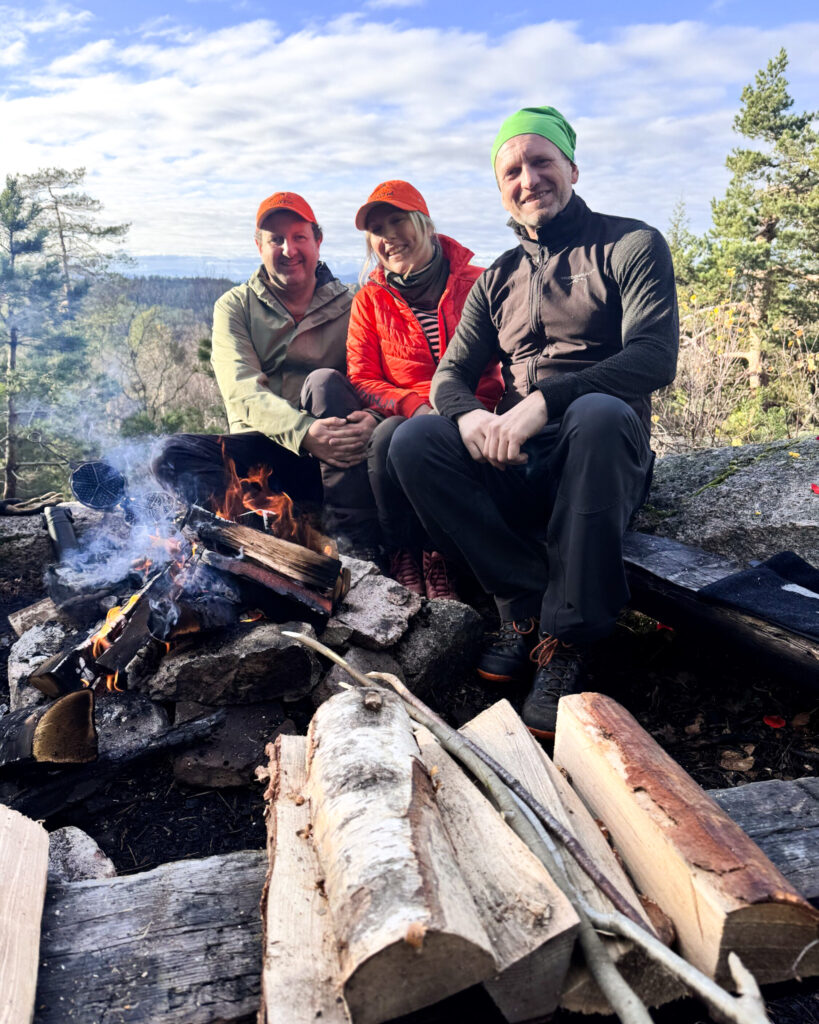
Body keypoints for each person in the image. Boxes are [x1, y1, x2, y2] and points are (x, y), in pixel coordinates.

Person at [387, 106, 679, 736]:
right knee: (414, 439)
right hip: (520, 461)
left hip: (602, 453)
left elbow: (654, 357)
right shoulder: (498, 278)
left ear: (571, 165)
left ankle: (569, 641)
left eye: (541, 161)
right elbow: (449, 377)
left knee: (597, 414)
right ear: (502, 190)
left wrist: (546, 402)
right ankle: (521, 606)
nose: (529, 179)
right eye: (512, 170)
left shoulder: (630, 244)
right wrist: (467, 420)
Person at [152, 191, 379, 553]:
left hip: (335, 458)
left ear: (317, 241)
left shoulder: (353, 305)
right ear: (259, 246)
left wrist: (373, 416)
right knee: (170, 455)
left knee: (325, 384)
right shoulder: (236, 306)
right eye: (276, 239)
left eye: (299, 237)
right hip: (264, 456)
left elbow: (377, 378)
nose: (289, 250)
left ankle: (355, 544)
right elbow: (242, 390)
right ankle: (259, 534)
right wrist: (303, 432)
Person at [346, 180, 503, 598]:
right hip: (405, 414)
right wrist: (414, 405)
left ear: (425, 224)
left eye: (398, 220)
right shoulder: (370, 299)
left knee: (410, 438)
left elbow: (512, 355)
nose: (389, 235)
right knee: (386, 438)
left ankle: (439, 554)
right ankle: (404, 553)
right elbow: (361, 376)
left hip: (477, 409)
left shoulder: (478, 283)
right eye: (377, 229)